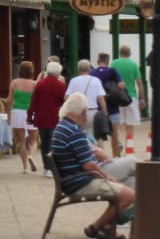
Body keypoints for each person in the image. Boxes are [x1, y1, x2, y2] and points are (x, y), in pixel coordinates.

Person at [51, 92, 134, 239]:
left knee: (133, 183)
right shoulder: (74, 131)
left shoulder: (63, 127)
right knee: (129, 195)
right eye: (87, 112)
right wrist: (107, 177)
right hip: (80, 182)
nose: (87, 116)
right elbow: (88, 166)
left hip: (73, 179)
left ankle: (109, 228)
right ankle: (95, 228)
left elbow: (87, 161)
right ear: (82, 112)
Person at [29, 60, 67, 178]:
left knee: (44, 144)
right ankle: (52, 167)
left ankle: (47, 168)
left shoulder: (40, 84)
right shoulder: (61, 85)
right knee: (53, 143)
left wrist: (29, 116)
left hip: (41, 118)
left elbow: (34, 102)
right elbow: (64, 102)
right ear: (57, 72)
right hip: (55, 118)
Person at [110, 45, 146, 153]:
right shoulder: (134, 64)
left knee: (117, 123)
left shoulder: (114, 63)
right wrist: (142, 99)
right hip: (131, 97)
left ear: (119, 53)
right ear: (129, 53)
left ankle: (118, 143)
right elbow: (139, 83)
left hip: (117, 97)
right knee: (129, 125)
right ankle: (128, 146)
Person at [7, 60, 40, 172]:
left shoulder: (14, 83)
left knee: (21, 141)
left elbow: (9, 100)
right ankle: (31, 155)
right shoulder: (35, 84)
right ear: (32, 71)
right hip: (31, 112)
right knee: (33, 140)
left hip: (17, 112)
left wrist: (8, 115)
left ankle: (25, 167)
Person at [91, 53, 126, 157]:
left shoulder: (92, 73)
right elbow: (121, 85)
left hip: (98, 106)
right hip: (112, 106)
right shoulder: (112, 71)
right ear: (108, 61)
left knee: (98, 135)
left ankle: (100, 157)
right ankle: (116, 156)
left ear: (98, 61)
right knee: (114, 133)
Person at [65, 59, 108, 142]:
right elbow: (101, 98)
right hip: (93, 111)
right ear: (89, 69)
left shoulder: (74, 81)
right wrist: (105, 112)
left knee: (79, 135)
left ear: (78, 69)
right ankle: (94, 151)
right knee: (94, 135)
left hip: (78, 112)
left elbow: (66, 97)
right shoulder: (96, 80)